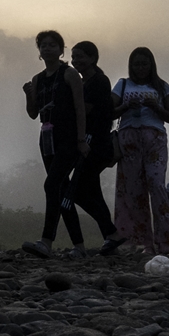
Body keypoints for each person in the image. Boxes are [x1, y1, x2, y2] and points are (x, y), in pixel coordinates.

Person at [21, 31, 90, 258]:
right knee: (60, 189)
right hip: (47, 138)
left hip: (69, 137)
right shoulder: (37, 79)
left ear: (62, 50)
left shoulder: (69, 74)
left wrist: (81, 140)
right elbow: (33, 113)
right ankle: (79, 246)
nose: (47, 48)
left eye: (53, 45)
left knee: (52, 185)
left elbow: (80, 108)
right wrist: (28, 95)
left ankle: (46, 241)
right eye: (43, 45)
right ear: (39, 51)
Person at [111, 48, 169, 255]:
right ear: (131, 65)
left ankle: (165, 238)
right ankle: (145, 242)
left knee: (156, 184)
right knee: (134, 192)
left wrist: (156, 107)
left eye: (144, 64)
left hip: (154, 138)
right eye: (137, 64)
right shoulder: (122, 85)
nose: (140, 68)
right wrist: (125, 106)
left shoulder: (162, 86)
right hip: (129, 139)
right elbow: (108, 111)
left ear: (151, 65)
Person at [68, 41, 123, 254]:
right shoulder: (84, 83)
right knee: (93, 193)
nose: (76, 61)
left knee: (79, 192)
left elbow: (87, 110)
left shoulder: (99, 81)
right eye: (73, 57)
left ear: (93, 58)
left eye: (80, 56)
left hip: (95, 145)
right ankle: (111, 238)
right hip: (90, 144)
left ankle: (113, 233)